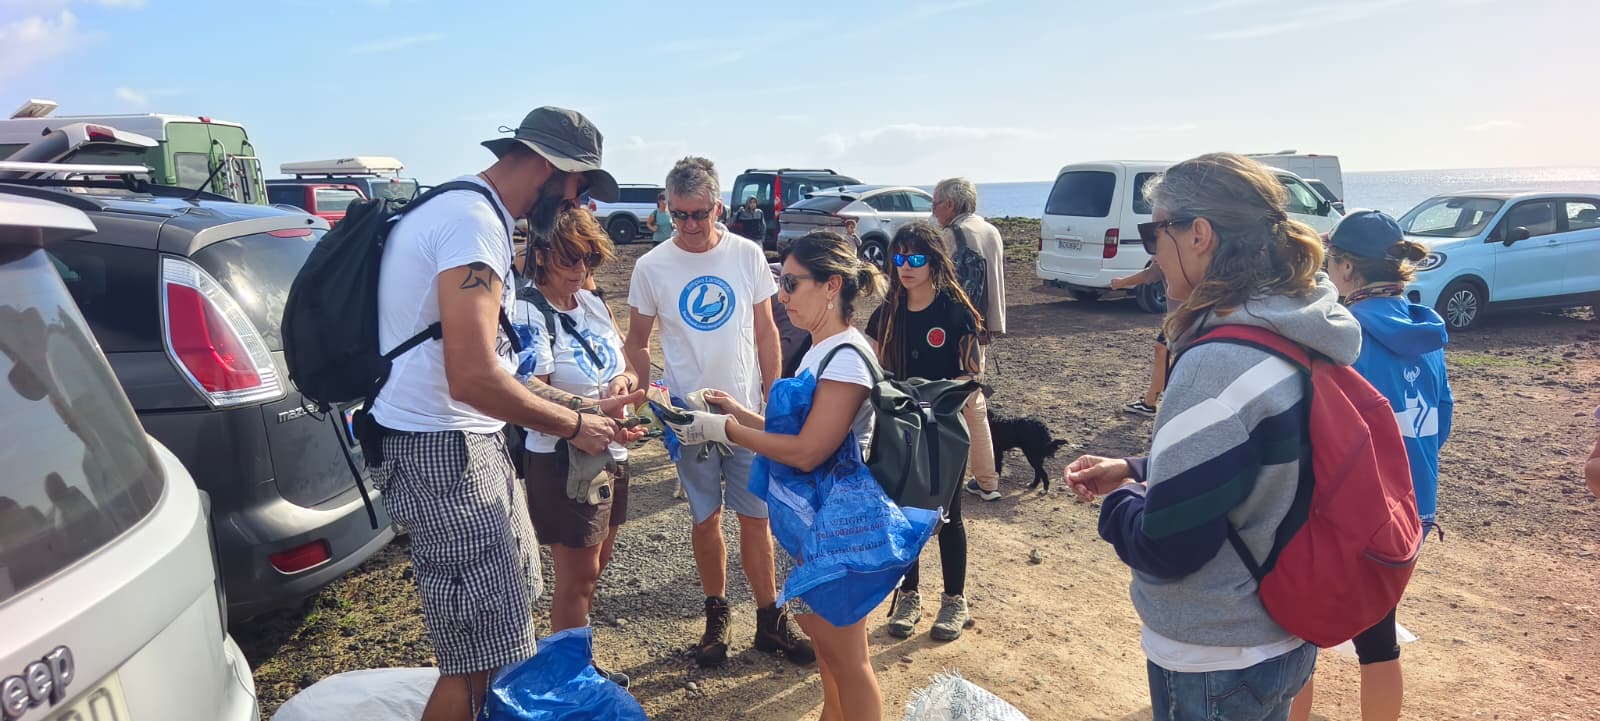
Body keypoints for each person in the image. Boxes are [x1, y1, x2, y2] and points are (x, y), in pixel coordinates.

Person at [369, 106, 643, 721]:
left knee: (498, 640)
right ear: (548, 167)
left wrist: (585, 407)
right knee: (474, 662)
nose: (577, 204)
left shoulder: (469, 211)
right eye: (577, 186)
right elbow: (471, 376)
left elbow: (485, 371)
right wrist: (575, 423)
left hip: (460, 445)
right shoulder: (472, 224)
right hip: (445, 452)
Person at [1065, 152, 1360, 721]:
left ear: (1198, 234)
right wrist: (1138, 466)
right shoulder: (1297, 326)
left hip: (1215, 648)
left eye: (1155, 231)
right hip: (1283, 630)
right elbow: (1262, 448)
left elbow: (1170, 547)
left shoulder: (1216, 362)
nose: (1151, 249)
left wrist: (1121, 503)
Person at [668, 230, 888, 721]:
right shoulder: (821, 350)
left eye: (791, 283)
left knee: (849, 662)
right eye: (778, 282)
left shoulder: (846, 358)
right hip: (824, 527)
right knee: (830, 658)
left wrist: (724, 428)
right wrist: (739, 413)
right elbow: (809, 434)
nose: (781, 295)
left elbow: (808, 452)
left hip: (842, 529)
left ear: (832, 285)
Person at [622, 157, 814, 668]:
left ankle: (770, 619)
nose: (688, 226)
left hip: (746, 415)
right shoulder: (652, 266)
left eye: (698, 214)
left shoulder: (747, 255)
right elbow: (637, 343)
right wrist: (645, 401)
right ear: (667, 209)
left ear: (719, 207)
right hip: (690, 419)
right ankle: (716, 616)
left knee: (757, 518)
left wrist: (775, 394)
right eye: (678, 215)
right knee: (705, 519)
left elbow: (766, 330)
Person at [1289, 209, 1454, 721]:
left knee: (1300, 631)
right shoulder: (1426, 332)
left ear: (1344, 267)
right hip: (1414, 508)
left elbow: (1317, 428)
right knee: (1379, 635)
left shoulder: (1343, 333)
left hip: (1352, 509)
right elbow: (1441, 418)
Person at [509, 207, 635, 687]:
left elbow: (623, 364)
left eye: (590, 259)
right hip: (563, 457)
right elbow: (530, 389)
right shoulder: (526, 310)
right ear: (541, 256)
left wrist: (622, 383)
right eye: (570, 259)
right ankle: (570, 678)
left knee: (595, 566)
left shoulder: (592, 303)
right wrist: (595, 407)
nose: (582, 270)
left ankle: (575, 662)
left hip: (610, 450)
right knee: (577, 575)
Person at [866, 220, 983, 642]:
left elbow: (973, 374)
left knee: (948, 514)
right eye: (899, 258)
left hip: (943, 432)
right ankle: (909, 594)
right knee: (902, 512)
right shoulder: (887, 315)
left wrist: (932, 395)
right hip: (897, 431)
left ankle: (955, 599)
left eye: (916, 258)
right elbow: (868, 366)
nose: (905, 266)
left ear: (935, 262)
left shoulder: (956, 311)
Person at [931, 177, 1006, 501]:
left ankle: (948, 478)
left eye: (935, 203)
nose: (933, 211)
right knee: (974, 403)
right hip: (981, 329)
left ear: (950, 204)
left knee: (950, 402)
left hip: (953, 331)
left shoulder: (952, 235)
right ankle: (987, 480)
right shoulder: (990, 230)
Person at [1111, 262, 1167, 417]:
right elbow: (1152, 272)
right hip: (1182, 315)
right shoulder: (1170, 249)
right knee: (1162, 349)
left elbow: (1151, 273)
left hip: (1194, 313)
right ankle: (1150, 403)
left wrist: (1121, 282)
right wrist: (1121, 282)